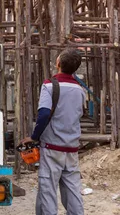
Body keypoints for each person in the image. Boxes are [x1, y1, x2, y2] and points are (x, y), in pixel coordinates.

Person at [22, 48, 85, 215]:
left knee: (48, 189)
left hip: (52, 147)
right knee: (72, 190)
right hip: (71, 148)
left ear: (58, 63)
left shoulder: (50, 85)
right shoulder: (80, 89)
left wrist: (33, 137)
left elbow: (43, 114)